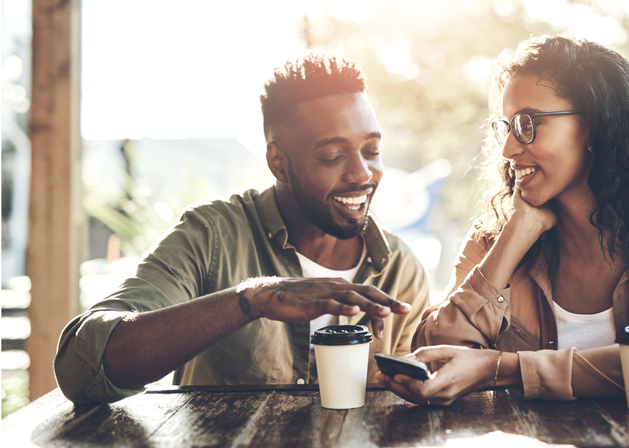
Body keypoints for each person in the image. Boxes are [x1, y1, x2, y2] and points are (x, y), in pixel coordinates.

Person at [55, 52, 430, 404]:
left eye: (371, 151)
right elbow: (79, 367)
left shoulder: (399, 269)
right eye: (332, 156)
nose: (362, 174)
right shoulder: (210, 236)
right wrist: (254, 300)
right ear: (278, 163)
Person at [377, 35, 629, 406]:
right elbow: (434, 354)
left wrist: (498, 368)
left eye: (527, 123)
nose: (508, 148)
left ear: (596, 126)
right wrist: (517, 234)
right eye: (508, 127)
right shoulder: (497, 234)